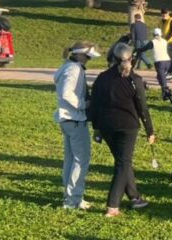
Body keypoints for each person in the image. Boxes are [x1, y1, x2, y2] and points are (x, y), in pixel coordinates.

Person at [88, 42, 156, 217]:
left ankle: (134, 197)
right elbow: (143, 108)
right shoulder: (135, 81)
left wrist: (96, 128)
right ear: (132, 59)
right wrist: (150, 131)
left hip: (106, 127)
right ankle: (112, 206)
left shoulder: (102, 78)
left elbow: (95, 105)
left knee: (122, 162)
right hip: (127, 127)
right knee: (122, 164)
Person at [53, 41, 100, 211]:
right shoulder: (74, 69)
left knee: (71, 159)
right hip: (74, 118)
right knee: (81, 159)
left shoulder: (67, 66)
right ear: (80, 55)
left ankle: (71, 196)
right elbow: (67, 93)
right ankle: (73, 199)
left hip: (67, 119)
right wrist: (83, 105)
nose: (88, 59)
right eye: (87, 56)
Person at [151, 27, 171, 93]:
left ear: (153, 34)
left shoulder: (153, 42)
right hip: (168, 62)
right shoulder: (165, 41)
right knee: (159, 77)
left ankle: (165, 94)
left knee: (163, 81)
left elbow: (144, 48)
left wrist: (138, 49)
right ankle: (164, 89)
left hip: (160, 62)